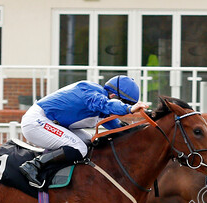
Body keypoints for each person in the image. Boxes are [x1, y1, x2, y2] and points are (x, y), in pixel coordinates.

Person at [19, 75, 147, 187]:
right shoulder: (91, 91)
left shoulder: (102, 107)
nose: (125, 106)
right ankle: (33, 165)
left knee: (89, 141)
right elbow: (106, 104)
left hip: (52, 123)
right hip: (37, 121)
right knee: (79, 148)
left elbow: (120, 129)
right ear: (113, 96)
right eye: (124, 102)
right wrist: (129, 109)